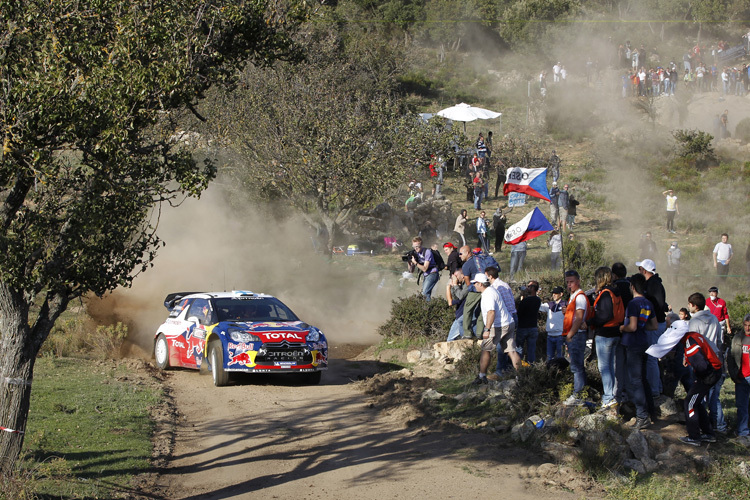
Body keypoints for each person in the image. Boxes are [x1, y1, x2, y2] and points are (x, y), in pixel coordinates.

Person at [619, 273, 658, 429]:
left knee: (635, 381)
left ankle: (642, 416)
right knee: (643, 379)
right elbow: (654, 325)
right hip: (644, 343)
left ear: (632, 287)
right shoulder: (648, 303)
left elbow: (632, 326)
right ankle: (651, 411)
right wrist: (642, 326)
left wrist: (622, 327)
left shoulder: (633, 304)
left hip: (633, 344)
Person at [687, 292, 727, 435]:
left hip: (701, 360)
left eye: (689, 304)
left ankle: (700, 426)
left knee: (698, 395)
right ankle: (719, 425)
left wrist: (687, 360)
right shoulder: (714, 318)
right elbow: (719, 340)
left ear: (694, 306)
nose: (688, 307)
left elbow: (692, 343)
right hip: (714, 357)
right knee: (714, 396)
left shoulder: (693, 322)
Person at [471, 273, 521, 385]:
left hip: (498, 325)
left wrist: (487, 329)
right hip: (508, 322)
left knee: (486, 349)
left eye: (475, 283)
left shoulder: (487, 294)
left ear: (480, 284)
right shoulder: (493, 290)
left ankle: (482, 376)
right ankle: (520, 376)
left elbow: (491, 312)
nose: (474, 285)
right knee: (511, 351)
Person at [678, 327, 723, 446]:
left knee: (689, 402)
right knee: (696, 401)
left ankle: (694, 436)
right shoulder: (693, 335)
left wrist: (701, 377)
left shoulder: (689, 342)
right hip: (714, 371)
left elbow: (701, 364)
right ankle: (709, 433)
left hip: (708, 374)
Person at [590, 266, 623, 410]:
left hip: (605, 334)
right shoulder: (616, 292)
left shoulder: (605, 294)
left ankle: (608, 397)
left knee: (604, 367)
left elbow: (605, 315)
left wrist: (591, 322)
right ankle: (614, 395)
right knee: (612, 366)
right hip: (616, 332)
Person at [637, 258, 668, 399]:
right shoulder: (655, 283)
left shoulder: (653, 285)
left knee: (651, 357)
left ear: (644, 270)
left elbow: (659, 304)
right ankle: (658, 387)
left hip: (654, 324)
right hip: (656, 323)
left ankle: (654, 390)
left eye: (640, 269)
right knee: (653, 357)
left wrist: (649, 316)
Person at [562, 270, 590, 405]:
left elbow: (579, 318)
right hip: (574, 333)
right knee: (576, 365)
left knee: (577, 366)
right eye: (567, 282)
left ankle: (578, 394)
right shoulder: (573, 296)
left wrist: (570, 335)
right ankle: (580, 392)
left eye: (571, 282)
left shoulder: (580, 297)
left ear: (578, 281)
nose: (569, 285)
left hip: (577, 334)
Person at [727, 314, 750, 442]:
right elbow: (730, 357)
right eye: (745, 325)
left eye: (749, 326)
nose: (747, 328)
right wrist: (733, 374)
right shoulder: (737, 338)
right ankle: (743, 431)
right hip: (741, 377)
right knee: (741, 405)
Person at [516, 281, 542, 363]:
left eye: (529, 286)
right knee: (531, 349)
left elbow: (519, 312)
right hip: (533, 327)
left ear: (533, 288)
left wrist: (522, 296)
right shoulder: (538, 300)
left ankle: (518, 366)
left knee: (519, 349)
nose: (527, 288)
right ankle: (531, 365)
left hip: (523, 327)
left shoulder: (525, 301)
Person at [540, 286, 567, 360]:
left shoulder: (565, 304)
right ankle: (550, 371)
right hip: (550, 335)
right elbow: (538, 306)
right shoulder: (549, 305)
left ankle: (561, 371)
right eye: (553, 293)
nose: (554, 295)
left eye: (556, 293)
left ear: (561, 294)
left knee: (560, 358)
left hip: (560, 336)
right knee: (549, 358)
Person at [410, 237, 440, 301]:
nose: (415, 248)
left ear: (421, 245)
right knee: (425, 294)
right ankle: (427, 308)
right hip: (426, 275)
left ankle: (427, 309)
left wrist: (415, 263)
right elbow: (411, 271)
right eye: (414, 246)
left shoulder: (427, 252)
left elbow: (425, 268)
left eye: (417, 246)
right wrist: (410, 263)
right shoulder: (415, 253)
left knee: (425, 293)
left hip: (432, 273)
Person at [446, 269, 472, 341]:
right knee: (463, 339)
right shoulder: (462, 285)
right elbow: (455, 297)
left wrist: (451, 286)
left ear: (463, 275)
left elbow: (452, 301)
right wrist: (453, 287)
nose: (455, 278)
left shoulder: (467, 285)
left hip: (462, 315)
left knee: (450, 340)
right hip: (461, 315)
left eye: (456, 276)